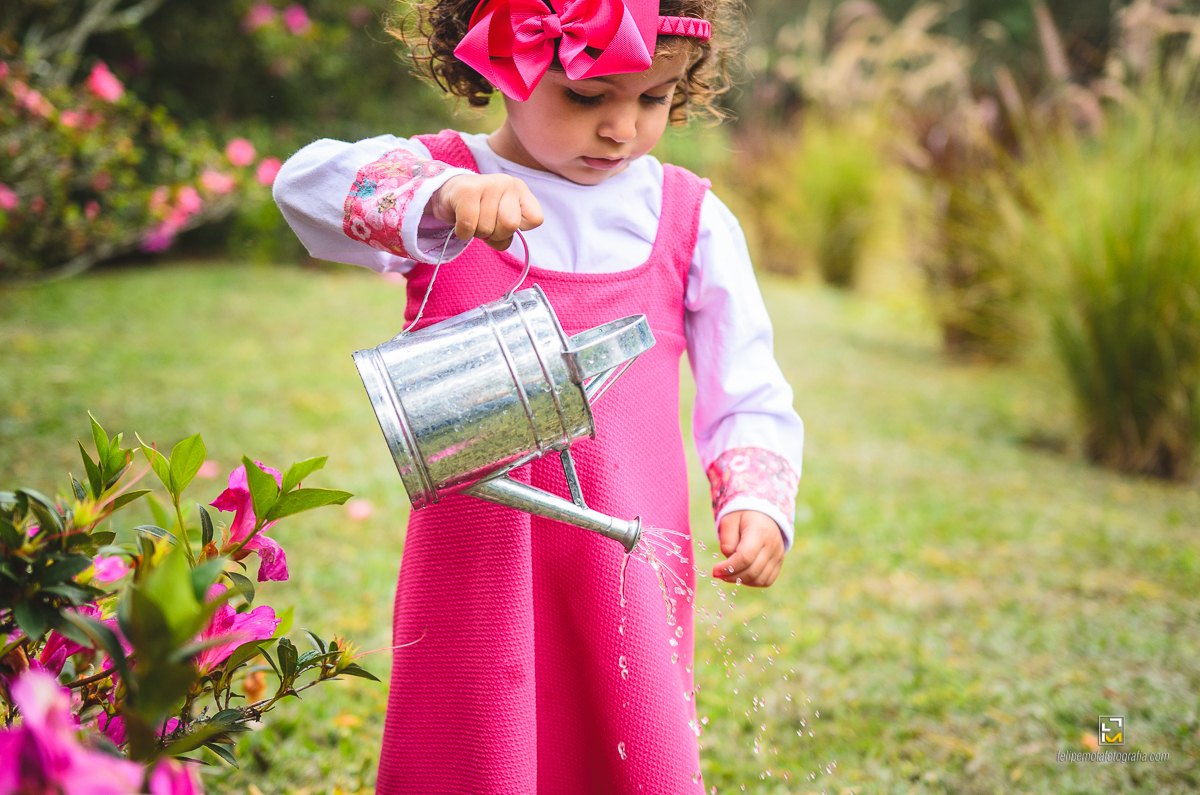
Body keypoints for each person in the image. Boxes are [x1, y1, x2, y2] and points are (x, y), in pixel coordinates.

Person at [273, 0, 803, 791]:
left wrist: (756, 499)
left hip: (627, 557)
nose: (623, 129)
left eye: (653, 99)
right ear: (502, 66)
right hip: (478, 559)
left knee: (626, 739)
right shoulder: (443, 186)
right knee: (474, 736)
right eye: (587, 96)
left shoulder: (690, 217)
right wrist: (442, 194)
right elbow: (302, 187)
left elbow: (748, 387)